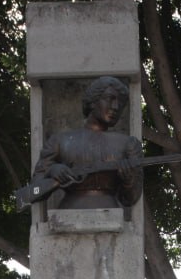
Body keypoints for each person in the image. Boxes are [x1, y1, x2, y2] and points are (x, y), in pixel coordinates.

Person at [29, 75, 144, 209]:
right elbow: (34, 191)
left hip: (111, 217)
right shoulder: (59, 140)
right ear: (93, 101)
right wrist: (52, 170)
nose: (115, 107)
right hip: (67, 216)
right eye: (110, 99)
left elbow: (131, 199)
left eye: (120, 103)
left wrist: (129, 180)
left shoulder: (129, 144)